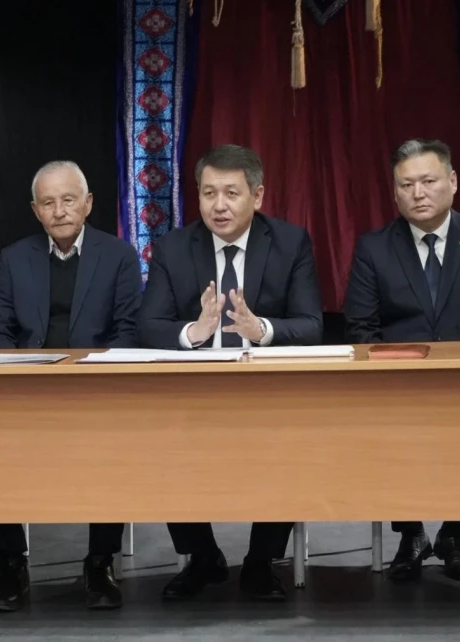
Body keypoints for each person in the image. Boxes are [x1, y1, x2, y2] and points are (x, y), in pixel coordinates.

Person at [138, 144, 323, 602]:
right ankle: (204, 557)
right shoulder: (173, 248)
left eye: (231, 193)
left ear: (257, 196)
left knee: (291, 441)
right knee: (159, 441)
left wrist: (262, 330)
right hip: (193, 395)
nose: (218, 206)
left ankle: (260, 562)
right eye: (208, 193)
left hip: (268, 393)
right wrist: (193, 332)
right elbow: (148, 326)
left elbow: (312, 325)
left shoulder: (290, 243)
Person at [343, 139, 460, 583]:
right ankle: (411, 535)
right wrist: (399, 378)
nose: (418, 193)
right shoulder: (374, 248)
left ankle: (454, 534)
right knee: (384, 427)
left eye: (428, 181)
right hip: (397, 386)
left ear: (453, 182)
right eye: (406, 185)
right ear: (394, 192)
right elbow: (361, 330)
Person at [0, 161, 142, 612]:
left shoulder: (119, 255)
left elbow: (129, 330)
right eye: (48, 203)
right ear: (35, 211)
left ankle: (100, 562)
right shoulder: (15, 257)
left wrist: (96, 374)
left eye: (68, 200)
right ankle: (10, 563)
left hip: (97, 387)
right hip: (27, 386)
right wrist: (14, 372)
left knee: (113, 441)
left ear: (87, 204)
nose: (59, 211)